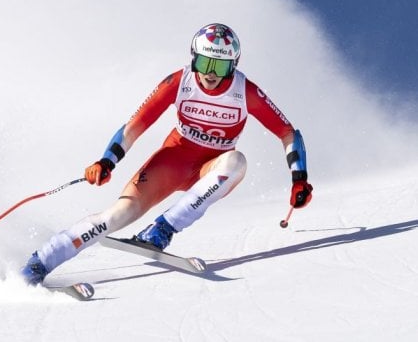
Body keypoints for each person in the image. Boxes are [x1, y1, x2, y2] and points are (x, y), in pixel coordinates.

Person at [21, 23, 313, 285]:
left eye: (221, 66)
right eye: (204, 62)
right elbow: (135, 125)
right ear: (193, 58)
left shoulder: (245, 92)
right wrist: (106, 161)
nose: (211, 73)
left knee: (237, 162)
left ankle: (162, 229)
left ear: (233, 66)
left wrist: (299, 179)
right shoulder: (178, 82)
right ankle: (40, 263)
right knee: (118, 214)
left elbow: (288, 133)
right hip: (173, 160)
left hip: (211, 168)